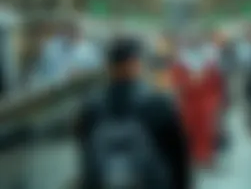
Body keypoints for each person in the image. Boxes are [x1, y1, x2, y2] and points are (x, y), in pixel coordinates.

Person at [75, 37, 191, 189]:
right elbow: (178, 159)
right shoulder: (158, 105)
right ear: (137, 65)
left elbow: (86, 157)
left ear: (109, 67)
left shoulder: (91, 108)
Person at [172, 36, 223, 168]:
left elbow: (217, 85)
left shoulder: (210, 62)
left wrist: (216, 104)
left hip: (206, 102)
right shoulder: (182, 61)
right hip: (189, 102)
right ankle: (193, 158)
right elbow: (177, 83)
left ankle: (206, 157)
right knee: (190, 131)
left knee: (206, 131)